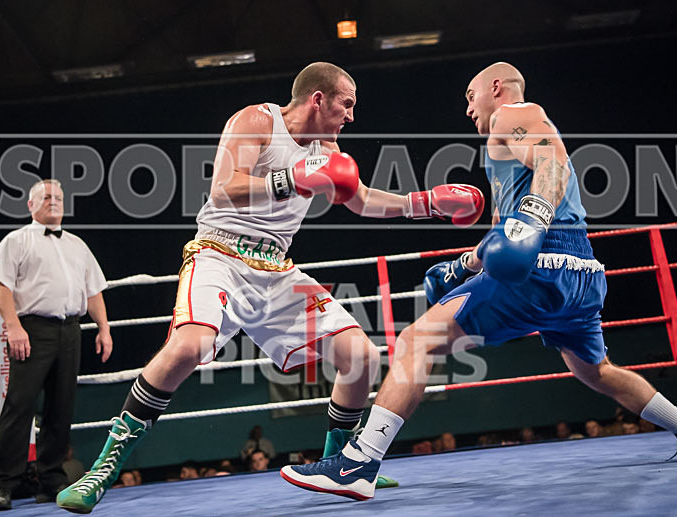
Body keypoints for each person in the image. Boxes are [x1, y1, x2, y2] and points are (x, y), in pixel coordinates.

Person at [281, 62, 677, 501]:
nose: (468, 108)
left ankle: (358, 463)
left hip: (540, 267)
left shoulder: (514, 113)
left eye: (470, 95)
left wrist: (532, 221)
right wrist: (465, 264)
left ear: (497, 86)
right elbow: (507, 235)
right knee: (596, 371)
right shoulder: (502, 152)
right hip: (580, 274)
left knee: (417, 340)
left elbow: (552, 168)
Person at [57, 61, 482, 513]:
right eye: (347, 103)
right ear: (318, 98)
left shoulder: (327, 145)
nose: (352, 115)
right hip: (217, 254)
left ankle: (340, 463)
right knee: (188, 346)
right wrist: (293, 179)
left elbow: (360, 200)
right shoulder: (255, 120)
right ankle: (103, 466)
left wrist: (426, 204)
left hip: (276, 269)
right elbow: (223, 189)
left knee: (359, 355)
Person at [0, 179, 112, 512]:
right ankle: (1, 483)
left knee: (61, 407)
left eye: (58, 197)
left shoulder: (76, 244)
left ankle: (52, 478)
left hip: (71, 330)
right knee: (19, 406)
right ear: (30, 205)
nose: (53, 201)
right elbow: (0, 287)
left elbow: (93, 290)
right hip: (32, 329)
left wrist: (103, 329)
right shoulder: (16, 241)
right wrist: (13, 327)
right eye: (46, 197)